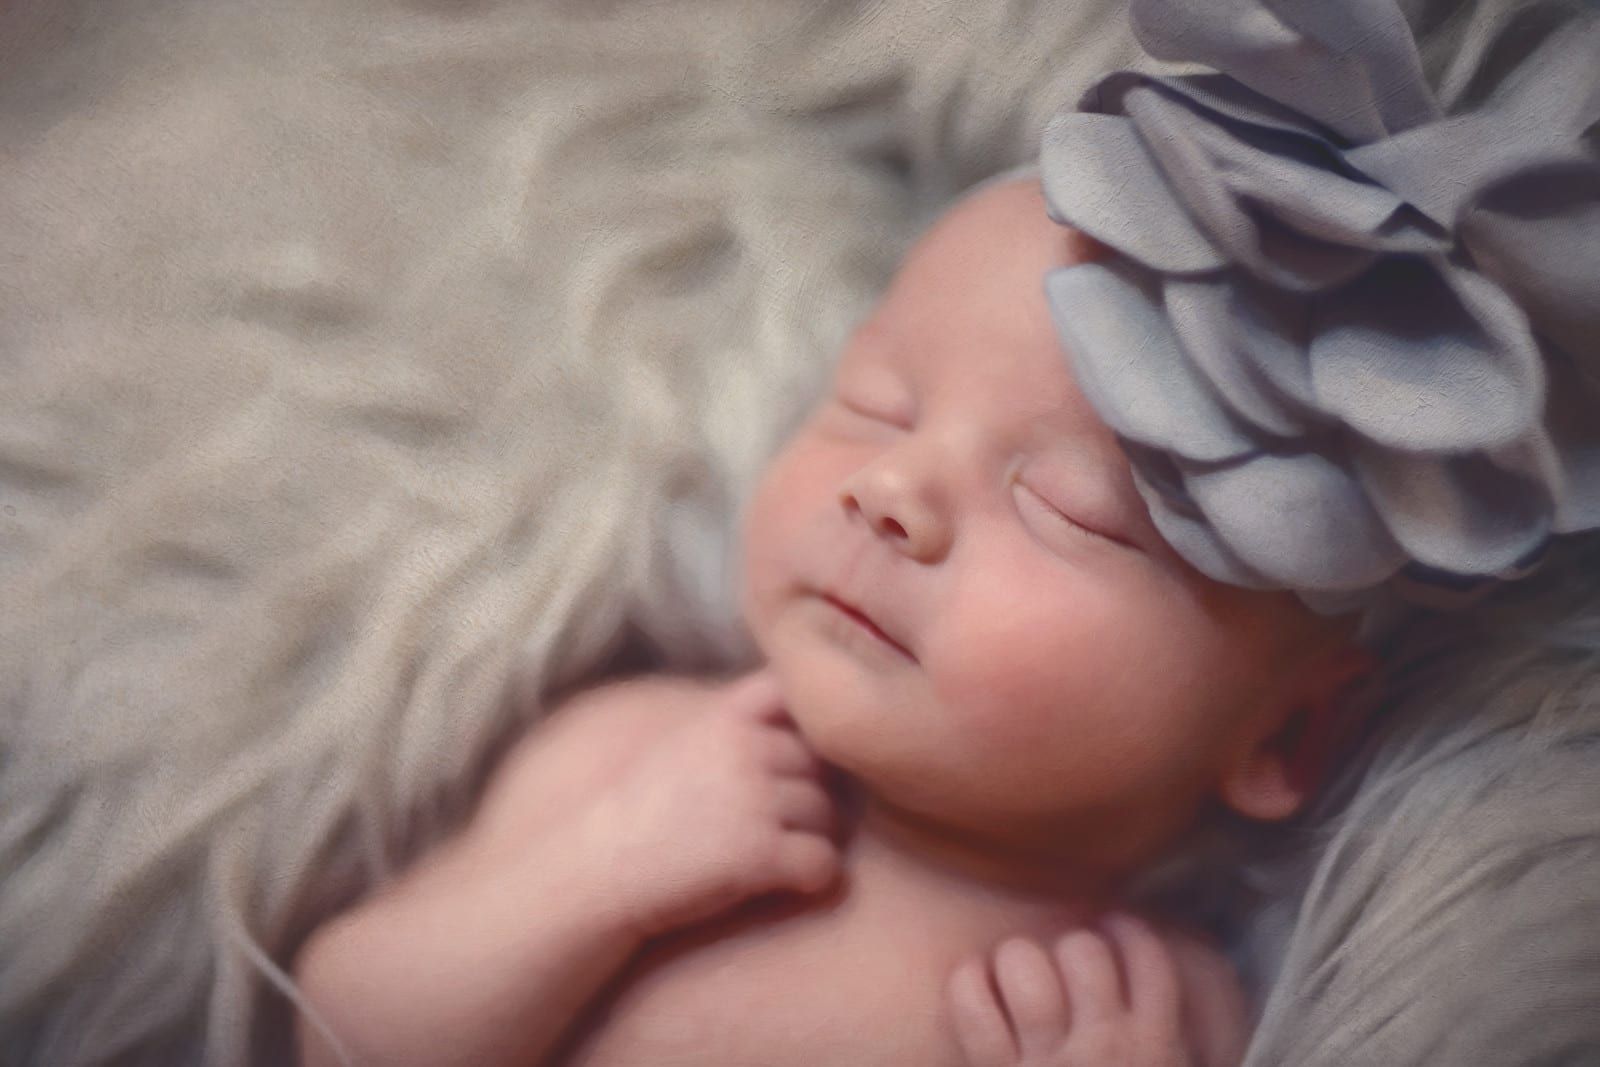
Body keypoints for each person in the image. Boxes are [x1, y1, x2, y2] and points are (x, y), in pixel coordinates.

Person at [288, 174, 1376, 1067]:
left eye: (1064, 508)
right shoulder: (631, 757)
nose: (891, 485)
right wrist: (598, 877)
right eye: (873, 402)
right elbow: (340, 1025)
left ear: (1281, 733)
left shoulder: (1146, 1009)